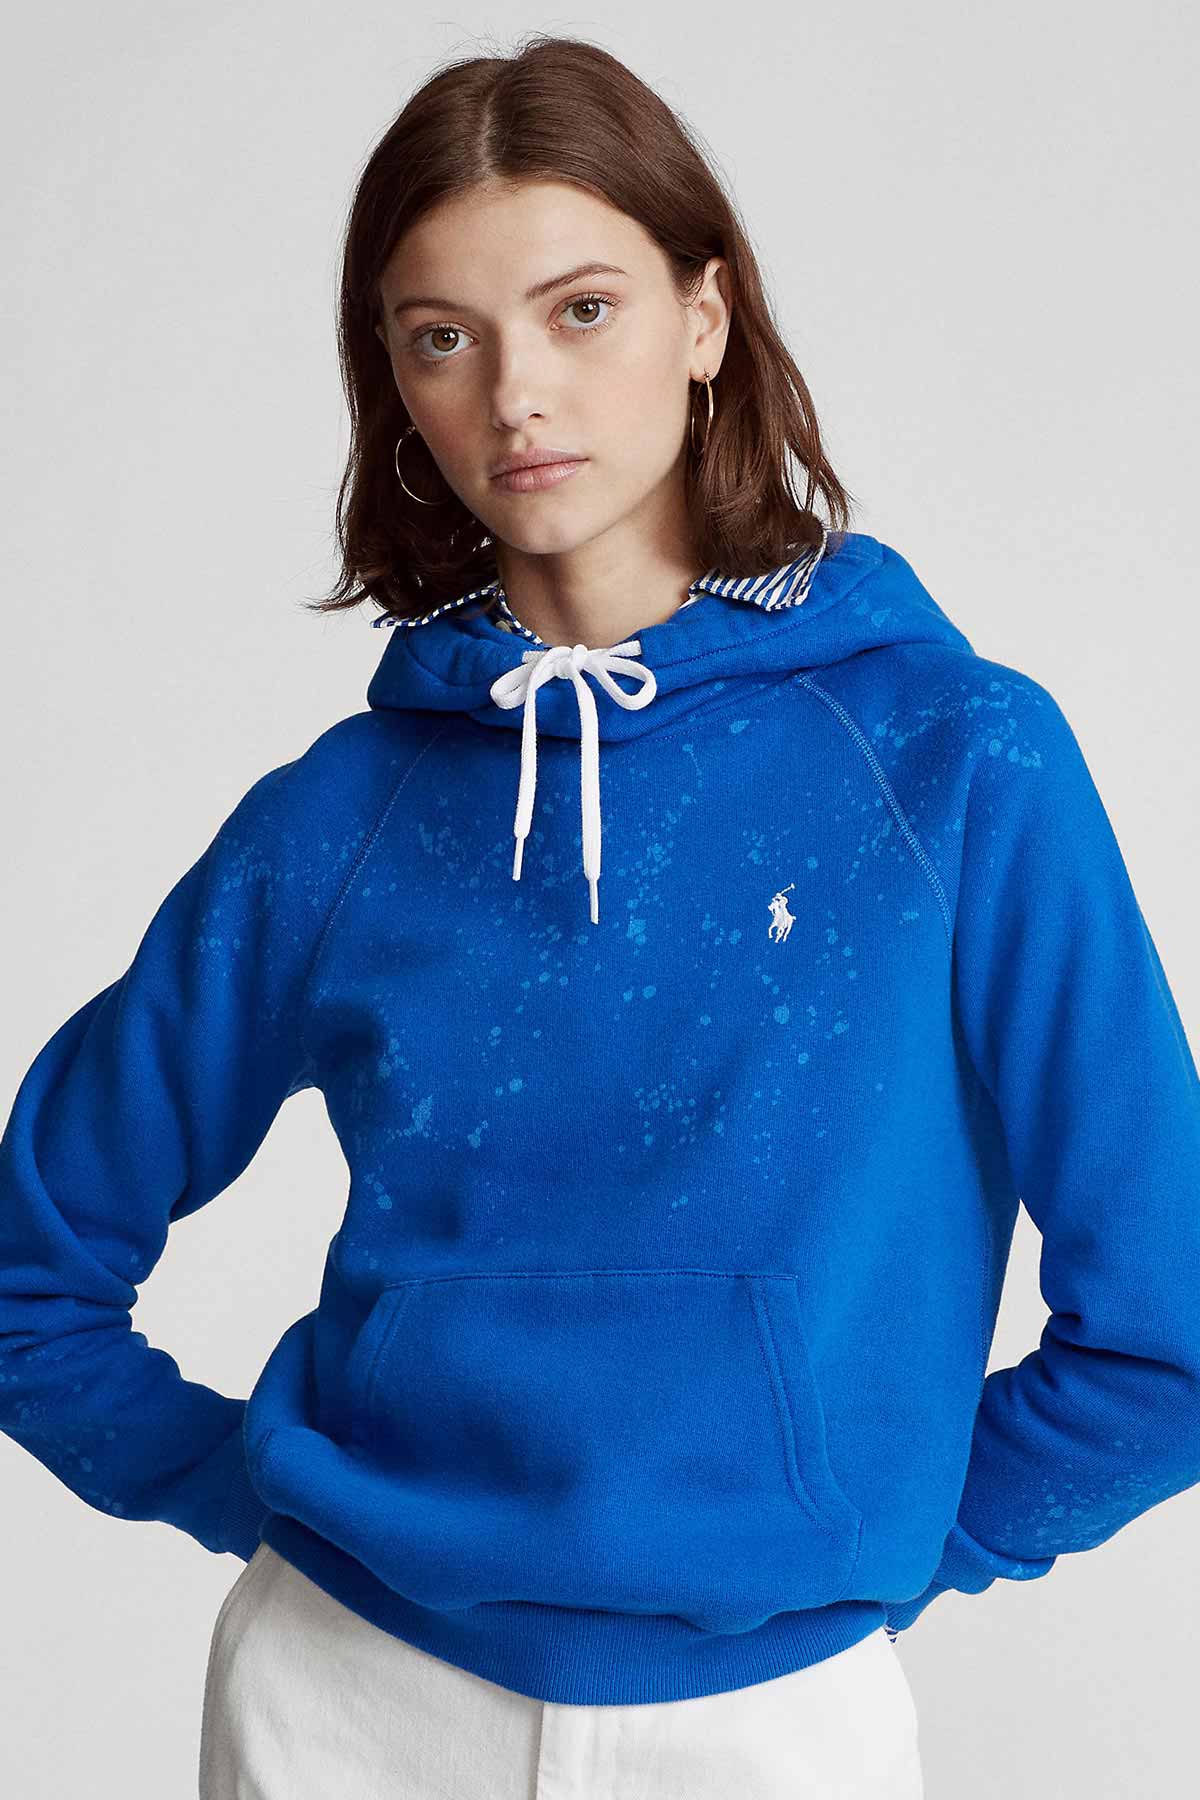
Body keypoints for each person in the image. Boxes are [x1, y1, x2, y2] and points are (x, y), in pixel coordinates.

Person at [3, 31, 1199, 1800]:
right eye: (442, 336)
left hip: (770, 1720)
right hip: (346, 1705)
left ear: (705, 316)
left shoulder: (958, 760)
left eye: (579, 310)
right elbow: (30, 1272)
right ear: (394, 381)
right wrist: (272, 1500)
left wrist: (861, 1554)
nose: (516, 395)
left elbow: (1170, 1325)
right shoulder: (341, 818)